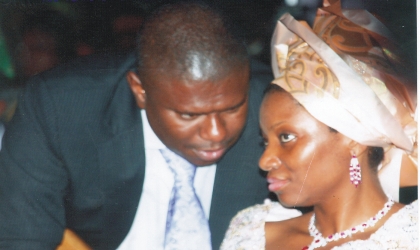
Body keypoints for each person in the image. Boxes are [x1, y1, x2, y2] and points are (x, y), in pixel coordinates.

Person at [0, 3, 296, 249]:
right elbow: (23, 238)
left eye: (232, 108)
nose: (216, 133)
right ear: (140, 91)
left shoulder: (277, 106)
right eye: (190, 115)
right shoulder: (62, 109)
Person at [221, 1, 417, 249]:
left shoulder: (409, 238)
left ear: (354, 139)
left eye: (286, 138)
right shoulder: (251, 233)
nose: (264, 160)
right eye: (265, 142)